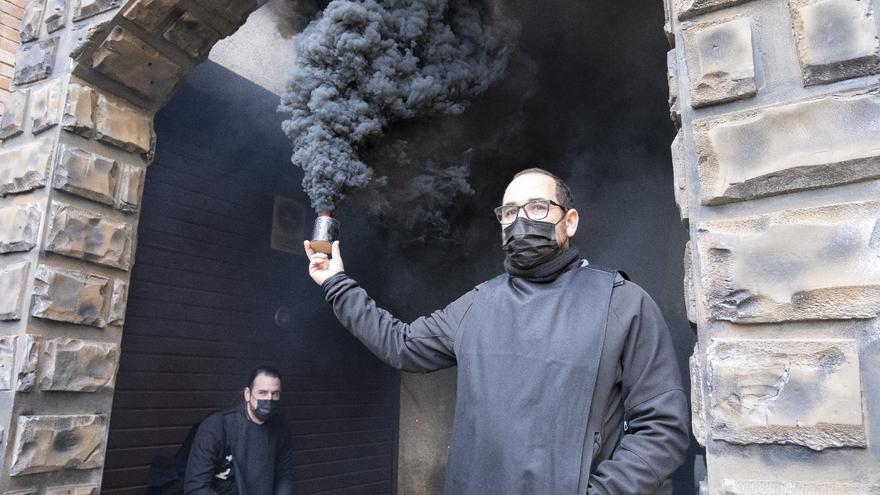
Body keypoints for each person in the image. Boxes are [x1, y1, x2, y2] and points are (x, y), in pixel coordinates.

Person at [304, 168, 689, 494]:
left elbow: (662, 429)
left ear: (569, 221)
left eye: (538, 207)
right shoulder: (477, 304)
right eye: (509, 212)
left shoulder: (621, 303)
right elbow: (402, 344)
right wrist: (336, 283)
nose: (521, 221)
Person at [184, 366, 295, 495]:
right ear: (247, 394)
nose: (269, 399)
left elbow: (285, 476)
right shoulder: (217, 426)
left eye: (275, 394)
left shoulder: (280, 427)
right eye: (262, 393)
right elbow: (196, 487)